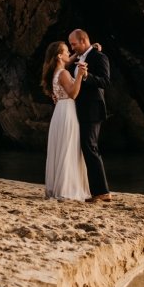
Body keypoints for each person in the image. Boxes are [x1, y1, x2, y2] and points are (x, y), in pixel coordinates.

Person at [41, 41, 90, 202]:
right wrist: (80, 76)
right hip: (68, 111)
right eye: (67, 51)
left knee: (61, 148)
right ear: (59, 56)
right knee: (69, 148)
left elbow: (69, 59)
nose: (70, 53)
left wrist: (89, 49)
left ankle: (58, 186)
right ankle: (67, 189)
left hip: (59, 112)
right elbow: (73, 94)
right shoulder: (64, 74)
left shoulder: (55, 72)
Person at [68, 28, 112, 203]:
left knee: (90, 147)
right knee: (85, 148)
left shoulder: (99, 57)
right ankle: (90, 189)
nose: (72, 48)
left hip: (93, 109)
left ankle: (102, 191)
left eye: (74, 44)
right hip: (78, 109)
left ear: (83, 40)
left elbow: (105, 81)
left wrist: (87, 76)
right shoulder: (78, 58)